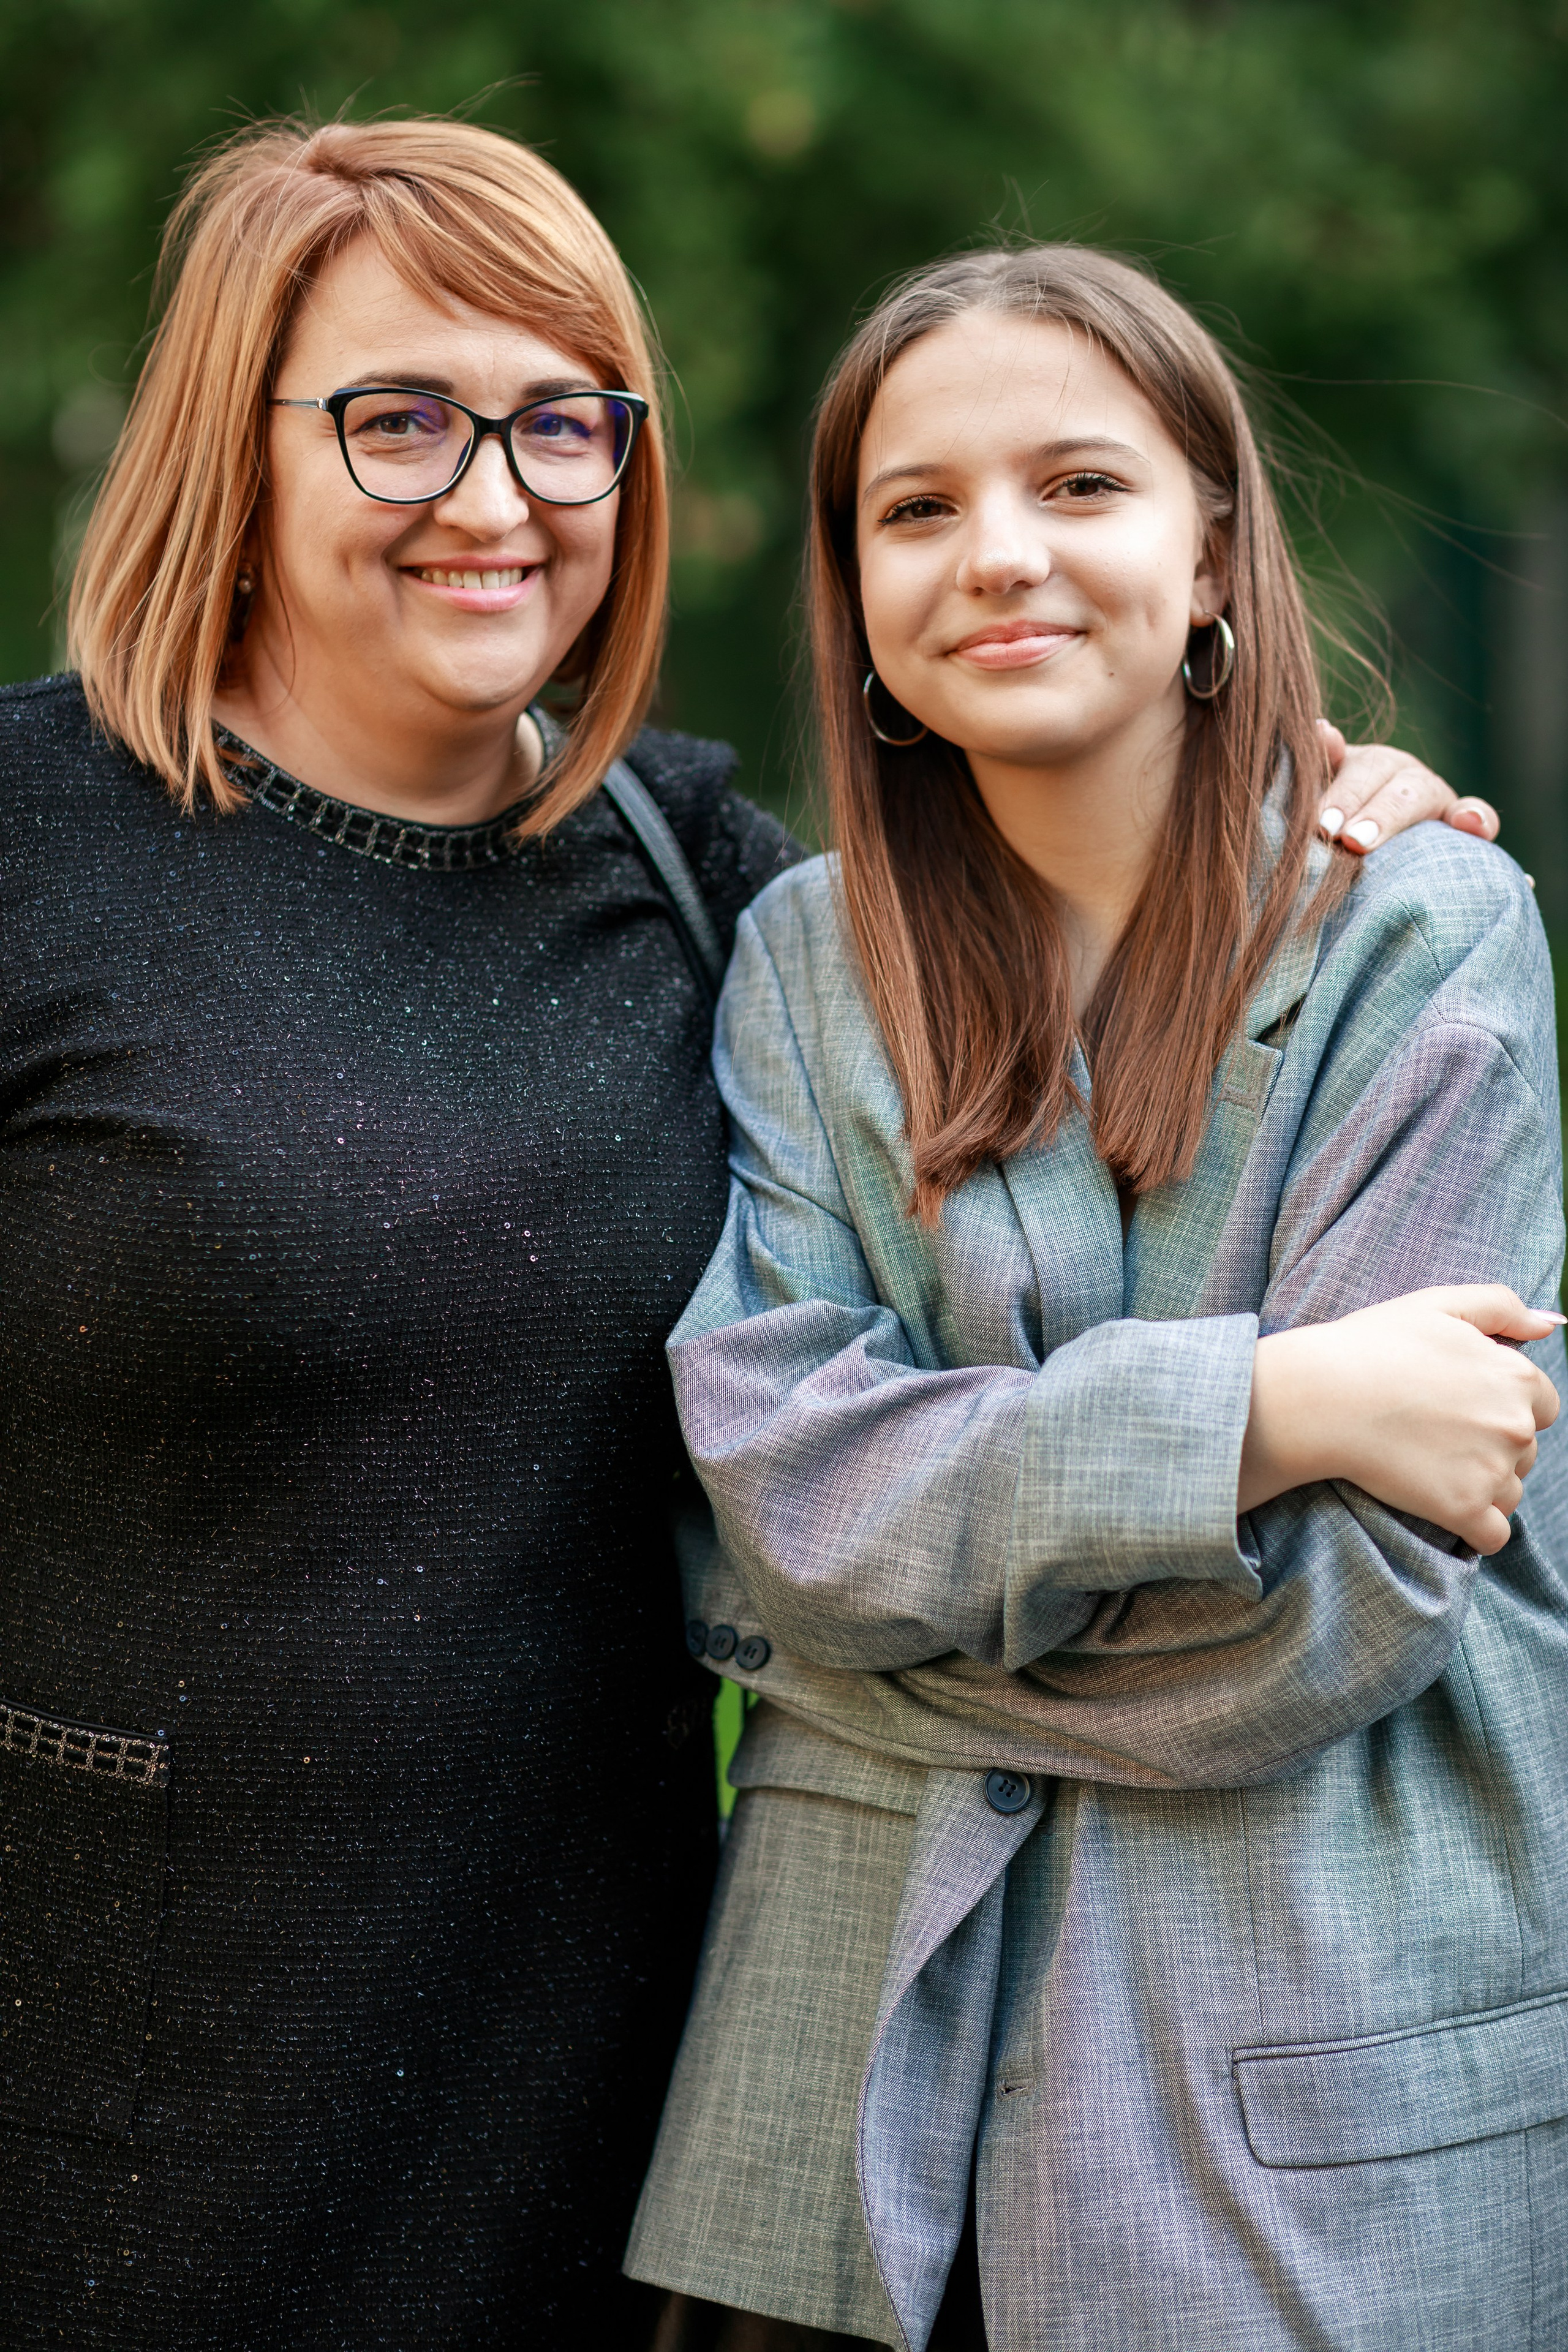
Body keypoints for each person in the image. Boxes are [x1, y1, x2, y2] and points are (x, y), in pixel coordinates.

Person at [0, 116, 1494, 2349]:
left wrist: (1326, 794)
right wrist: (1239, 1430)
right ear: (241, 441)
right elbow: (801, 1487)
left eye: (561, 420)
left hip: (611, 2088)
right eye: (399, 417)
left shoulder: (707, 883)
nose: (495, 495)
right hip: (110, 2072)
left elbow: (1065, 940)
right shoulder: (35, 846)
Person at [626, 244, 1568, 2352]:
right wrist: (1274, 1410)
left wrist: (860, 1648)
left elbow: (1352, 1611)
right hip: (847, 2117)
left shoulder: (1419, 939)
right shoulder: (798, 961)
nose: (997, 557)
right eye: (919, 508)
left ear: (1215, 547)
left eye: (1078, 485)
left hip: (1302, 2112)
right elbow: (778, 1494)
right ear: (855, 590)